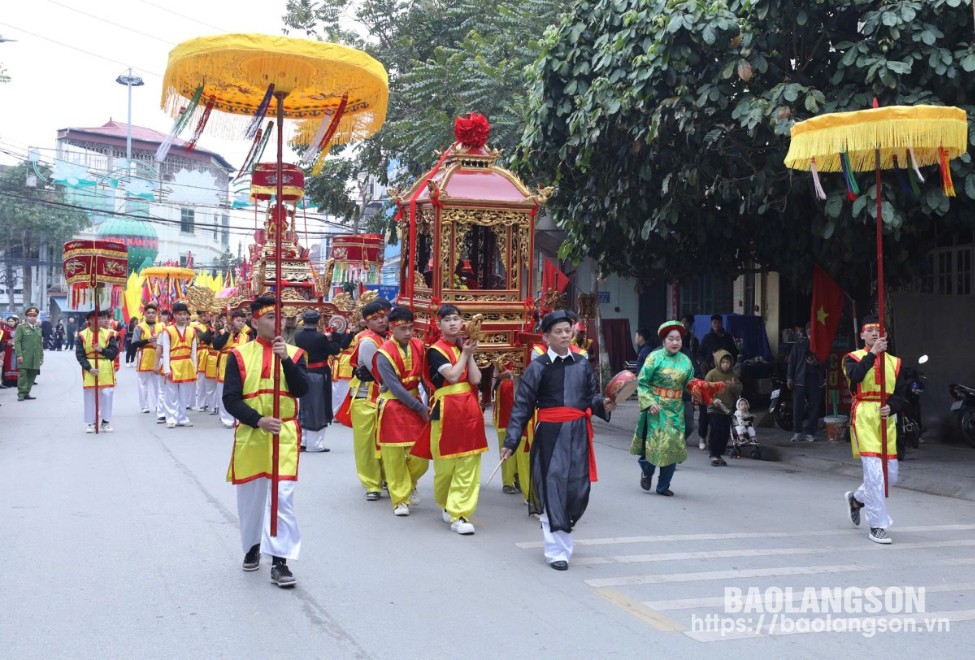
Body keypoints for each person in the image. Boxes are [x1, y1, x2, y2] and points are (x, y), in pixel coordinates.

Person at [502, 309, 614, 569]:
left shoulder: (582, 363)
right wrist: (511, 441)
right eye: (559, 332)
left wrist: (604, 405)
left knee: (575, 489)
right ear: (546, 338)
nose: (565, 335)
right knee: (552, 486)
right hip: (550, 434)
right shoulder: (538, 367)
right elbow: (522, 405)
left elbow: (591, 397)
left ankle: (564, 527)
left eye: (568, 330)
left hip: (577, 433)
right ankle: (556, 552)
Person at [222, 296, 310, 587]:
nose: (277, 322)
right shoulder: (238, 355)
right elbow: (230, 400)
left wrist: (285, 359)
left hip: (283, 434)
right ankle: (251, 547)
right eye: (270, 317)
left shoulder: (296, 354)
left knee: (281, 498)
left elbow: (301, 390)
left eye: (280, 317)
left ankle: (280, 561)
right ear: (255, 322)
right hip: (252, 432)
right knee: (251, 498)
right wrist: (258, 420)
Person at [412, 304, 489, 535]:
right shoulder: (436, 351)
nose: (453, 323)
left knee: (469, 462)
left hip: (470, 409)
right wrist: (465, 354)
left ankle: (460, 514)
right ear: (439, 325)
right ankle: (447, 502)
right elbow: (453, 376)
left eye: (456, 319)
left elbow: (474, 379)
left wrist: (469, 354)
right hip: (445, 410)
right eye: (447, 320)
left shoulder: (462, 347)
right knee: (445, 466)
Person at [843, 316, 906, 545]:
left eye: (878, 330)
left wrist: (893, 406)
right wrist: (873, 354)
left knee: (890, 475)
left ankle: (857, 499)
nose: (873, 333)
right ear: (862, 336)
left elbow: (901, 394)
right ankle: (878, 525)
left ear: (885, 335)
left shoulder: (895, 362)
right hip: (864, 417)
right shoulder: (852, 358)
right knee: (874, 474)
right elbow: (856, 377)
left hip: (885, 418)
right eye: (869, 330)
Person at [374, 306, 430, 516]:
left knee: (421, 456)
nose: (408, 333)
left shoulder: (419, 345)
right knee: (394, 457)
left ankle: (409, 483)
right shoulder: (383, 354)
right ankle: (400, 500)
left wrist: (432, 399)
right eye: (403, 329)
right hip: (392, 407)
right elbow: (395, 387)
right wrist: (420, 407)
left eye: (410, 328)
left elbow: (425, 377)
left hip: (415, 402)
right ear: (392, 328)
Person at [631, 321, 695, 495]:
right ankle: (647, 470)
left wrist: (705, 391)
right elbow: (642, 382)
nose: (675, 343)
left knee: (672, 445)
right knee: (656, 444)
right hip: (656, 408)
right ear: (664, 341)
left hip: (676, 409)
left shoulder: (686, 361)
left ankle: (663, 486)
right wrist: (650, 403)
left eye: (678, 339)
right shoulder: (654, 358)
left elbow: (690, 384)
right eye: (671, 339)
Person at [348, 300, 390, 500]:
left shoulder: (389, 336)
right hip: (366, 397)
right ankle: (372, 484)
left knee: (386, 442)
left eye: (383, 316)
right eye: (375, 319)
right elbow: (379, 373)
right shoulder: (367, 341)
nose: (381, 321)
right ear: (366, 322)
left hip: (383, 397)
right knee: (366, 444)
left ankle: (387, 478)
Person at [293, 309, 348, 452]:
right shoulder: (320, 338)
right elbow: (335, 350)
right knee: (318, 406)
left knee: (304, 406)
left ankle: (303, 441)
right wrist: (335, 336)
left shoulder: (298, 336)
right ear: (317, 321)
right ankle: (315, 443)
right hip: (318, 374)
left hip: (303, 372)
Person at [76, 309, 120, 433]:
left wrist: (102, 350)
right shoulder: (82, 335)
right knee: (90, 394)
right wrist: (89, 368)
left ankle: (106, 421)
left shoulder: (109, 334)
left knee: (107, 393)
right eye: (97, 318)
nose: (100, 320)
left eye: (101, 318)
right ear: (89, 320)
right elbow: (79, 355)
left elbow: (114, 352)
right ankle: (91, 422)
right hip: (90, 366)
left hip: (105, 365)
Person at [696, 314, 737, 445]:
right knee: (705, 408)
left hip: (724, 377)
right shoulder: (707, 338)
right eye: (714, 323)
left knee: (722, 410)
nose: (716, 325)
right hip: (708, 374)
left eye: (718, 323)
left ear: (721, 323)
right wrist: (704, 364)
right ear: (711, 324)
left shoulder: (728, 338)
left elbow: (734, 354)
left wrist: (728, 366)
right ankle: (702, 436)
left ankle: (720, 439)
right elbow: (700, 354)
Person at [159, 302, 198, 428]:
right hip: (173, 364)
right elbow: (165, 351)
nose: (182, 317)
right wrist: (166, 369)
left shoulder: (192, 331)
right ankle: (171, 418)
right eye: (179, 314)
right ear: (174, 315)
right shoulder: (168, 331)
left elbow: (194, 351)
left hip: (187, 364)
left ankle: (182, 417)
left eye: (184, 314)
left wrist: (195, 368)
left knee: (184, 393)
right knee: (171, 393)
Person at [213, 310, 254, 429]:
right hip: (224, 363)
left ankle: (237, 417)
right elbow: (216, 345)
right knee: (223, 391)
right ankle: (226, 418)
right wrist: (226, 333)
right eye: (238, 321)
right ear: (232, 321)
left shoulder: (247, 336)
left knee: (237, 391)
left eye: (243, 321)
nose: (241, 323)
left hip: (240, 363)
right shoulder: (222, 332)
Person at [788, 322, 824, 442]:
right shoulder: (799, 345)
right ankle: (797, 432)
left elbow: (826, 362)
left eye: (813, 329)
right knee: (797, 407)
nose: (810, 331)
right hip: (799, 380)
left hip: (815, 380)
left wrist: (817, 362)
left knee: (814, 407)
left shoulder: (820, 345)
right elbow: (791, 362)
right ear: (806, 330)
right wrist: (789, 377)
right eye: (809, 329)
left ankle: (810, 432)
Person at [704, 349, 741, 466]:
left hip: (727, 409)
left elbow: (740, 389)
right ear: (718, 362)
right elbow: (705, 389)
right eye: (723, 362)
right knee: (716, 431)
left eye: (728, 362)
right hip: (714, 408)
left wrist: (734, 386)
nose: (726, 364)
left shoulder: (732, 376)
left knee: (725, 433)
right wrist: (714, 399)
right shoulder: (712, 374)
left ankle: (719, 454)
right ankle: (713, 454)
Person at [131, 304, 164, 415]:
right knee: (143, 383)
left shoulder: (162, 327)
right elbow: (134, 343)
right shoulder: (139, 327)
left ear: (156, 314)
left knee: (158, 383)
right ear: (144, 314)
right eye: (148, 312)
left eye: (153, 313)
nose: (151, 315)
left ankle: (158, 405)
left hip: (157, 356)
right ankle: (144, 405)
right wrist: (147, 340)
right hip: (144, 355)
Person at [680, 315, 702, 442]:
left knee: (688, 426)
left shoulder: (687, 351)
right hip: (665, 397)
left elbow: (696, 369)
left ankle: (679, 441)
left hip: (684, 395)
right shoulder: (659, 353)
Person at [14, 306, 44, 401]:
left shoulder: (38, 329)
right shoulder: (21, 328)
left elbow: (40, 344)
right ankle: (21, 393)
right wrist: (19, 355)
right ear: (27, 317)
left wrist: (41, 357)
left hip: (35, 357)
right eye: (30, 316)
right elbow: (17, 342)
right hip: (24, 356)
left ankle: (27, 392)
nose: (32, 318)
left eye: (35, 316)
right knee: (23, 375)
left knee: (32, 375)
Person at [1, 315, 18, 388]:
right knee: (8, 365)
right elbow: (3, 340)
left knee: (16, 365)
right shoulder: (4, 330)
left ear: (15, 322)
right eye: (9, 321)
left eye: (12, 321)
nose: (11, 323)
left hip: (16, 349)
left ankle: (15, 381)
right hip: (8, 350)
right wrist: (10, 342)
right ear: (7, 322)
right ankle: (8, 381)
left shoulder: (18, 330)